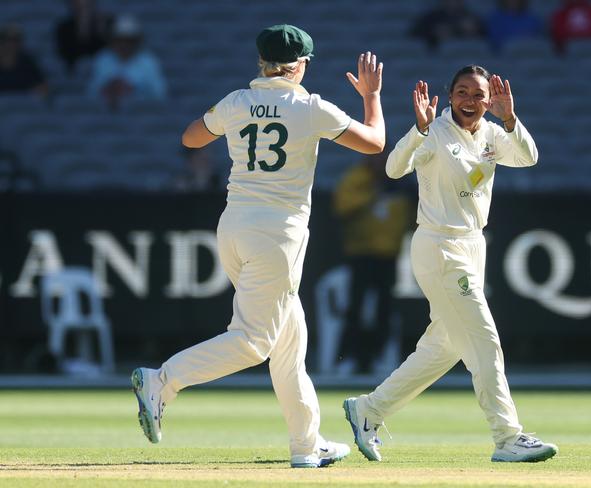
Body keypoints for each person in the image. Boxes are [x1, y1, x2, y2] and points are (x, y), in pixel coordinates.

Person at [131, 24, 385, 468]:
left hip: (234, 226)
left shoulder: (237, 101)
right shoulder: (310, 107)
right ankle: (163, 380)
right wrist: (371, 96)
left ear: (261, 64)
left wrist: (229, 121)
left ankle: (307, 445)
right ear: (299, 66)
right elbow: (375, 143)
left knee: (289, 341)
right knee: (254, 342)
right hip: (278, 235)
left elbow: (190, 137)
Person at [343, 65, 558, 463]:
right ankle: (507, 436)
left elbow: (528, 158)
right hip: (439, 246)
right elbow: (393, 168)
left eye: (478, 95)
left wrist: (510, 118)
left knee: (443, 347)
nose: (470, 101)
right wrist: (420, 129)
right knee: (483, 339)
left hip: (474, 246)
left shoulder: (493, 133)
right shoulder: (435, 133)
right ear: (450, 95)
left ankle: (370, 409)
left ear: (489, 99)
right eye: (462, 92)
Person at [333, 149, 412, 374]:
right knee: (355, 307)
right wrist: (373, 193)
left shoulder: (401, 183)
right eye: (377, 157)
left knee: (385, 310)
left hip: (389, 255)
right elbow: (342, 207)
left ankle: (378, 357)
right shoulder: (356, 179)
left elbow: (409, 216)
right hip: (361, 253)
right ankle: (349, 358)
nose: (381, 162)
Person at [87, 14, 166, 109]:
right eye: (120, 39)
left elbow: (160, 95)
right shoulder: (102, 59)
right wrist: (109, 88)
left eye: (128, 40)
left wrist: (133, 89)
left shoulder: (149, 62)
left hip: (141, 116)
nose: (123, 44)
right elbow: (91, 94)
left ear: (136, 41)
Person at [55, 0, 113, 74]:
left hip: (104, 72)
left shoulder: (106, 24)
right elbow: (70, 56)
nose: (84, 9)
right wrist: (83, 28)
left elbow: (111, 52)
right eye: (79, 5)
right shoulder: (64, 28)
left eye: (87, 5)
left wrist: (101, 31)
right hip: (75, 73)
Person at [409, 0, 485, 50]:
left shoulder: (471, 17)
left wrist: (474, 31)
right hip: (438, 58)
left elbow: (485, 35)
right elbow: (414, 34)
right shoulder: (431, 18)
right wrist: (433, 33)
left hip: (467, 56)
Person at [0, 24, 48, 97]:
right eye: (8, 40)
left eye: (16, 40)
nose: (11, 44)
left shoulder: (28, 62)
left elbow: (42, 86)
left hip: (24, 104)